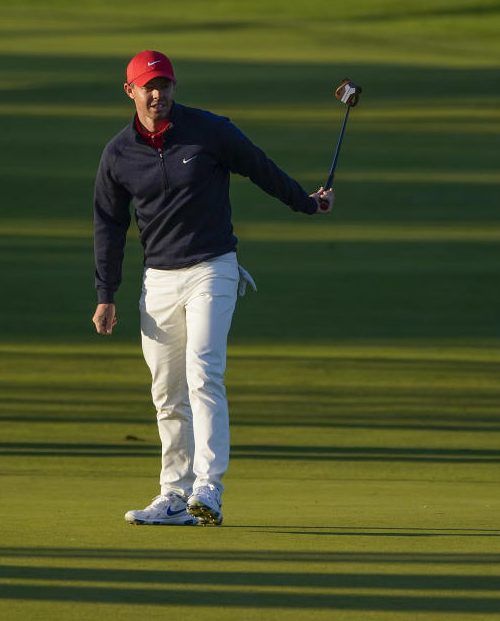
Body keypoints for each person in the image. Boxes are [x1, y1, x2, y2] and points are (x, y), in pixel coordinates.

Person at [91, 50, 333, 526]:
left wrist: (305, 202)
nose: (158, 94)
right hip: (158, 279)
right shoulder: (118, 153)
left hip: (213, 268)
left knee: (203, 372)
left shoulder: (209, 130)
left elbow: (259, 167)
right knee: (166, 391)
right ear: (131, 91)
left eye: (165, 85)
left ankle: (208, 488)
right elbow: (108, 225)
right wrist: (106, 294)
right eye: (148, 86)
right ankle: (174, 495)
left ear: (175, 87)